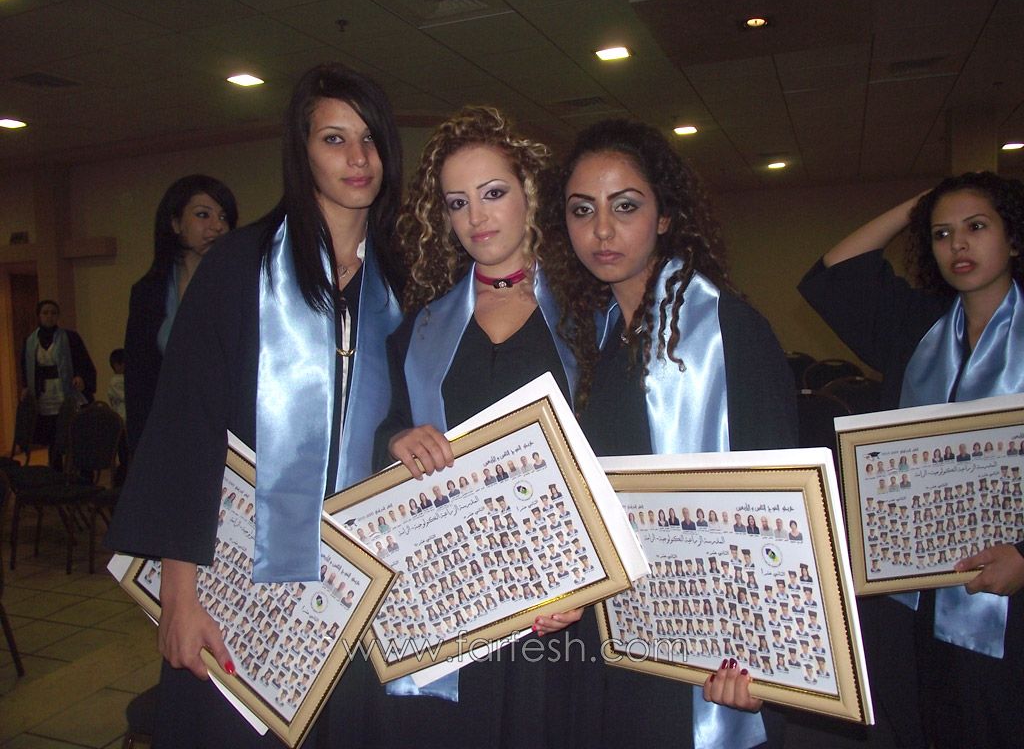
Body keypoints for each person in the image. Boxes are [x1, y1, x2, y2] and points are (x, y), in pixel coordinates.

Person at [104, 63, 406, 747]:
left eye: (369, 138)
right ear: (302, 152)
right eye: (334, 139)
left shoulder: (401, 281)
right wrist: (178, 595)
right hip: (234, 573)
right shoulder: (240, 267)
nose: (358, 157)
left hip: (357, 586)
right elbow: (186, 427)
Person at [543, 119, 796, 748]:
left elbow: (779, 506)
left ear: (664, 217)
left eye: (625, 206)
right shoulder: (593, 340)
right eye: (582, 210)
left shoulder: (730, 332)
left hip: (708, 638)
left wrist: (764, 653)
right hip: (616, 632)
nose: (602, 230)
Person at [372, 106, 580, 747]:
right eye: (457, 202)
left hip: (557, 590)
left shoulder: (588, 314)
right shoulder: (422, 327)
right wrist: (397, 440)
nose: (476, 218)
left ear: (530, 193)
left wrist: (588, 573)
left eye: (493, 194)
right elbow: (388, 427)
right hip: (457, 584)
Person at [800, 171, 1024, 748]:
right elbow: (836, 272)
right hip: (911, 586)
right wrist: (920, 205)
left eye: (977, 227)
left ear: (1014, 237)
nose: (958, 245)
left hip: (1007, 594)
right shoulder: (918, 327)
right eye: (941, 233)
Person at [124, 174, 238, 453]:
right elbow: (138, 384)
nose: (217, 226)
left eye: (224, 217)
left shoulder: (240, 288)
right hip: (167, 435)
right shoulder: (148, 292)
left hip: (227, 437)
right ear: (175, 223)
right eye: (203, 215)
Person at [21, 299, 97, 467]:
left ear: (58, 316)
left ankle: (80, 470)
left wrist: (80, 376)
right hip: (44, 392)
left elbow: (82, 360)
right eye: (45, 313)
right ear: (39, 316)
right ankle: (55, 470)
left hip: (65, 389)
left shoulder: (70, 337)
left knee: (72, 430)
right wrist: (26, 386)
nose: (49, 316)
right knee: (52, 434)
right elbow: (25, 366)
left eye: (53, 313)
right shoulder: (30, 340)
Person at [107, 348, 126, 422]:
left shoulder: (122, 378)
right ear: (117, 365)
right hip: (122, 415)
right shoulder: (115, 382)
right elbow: (125, 396)